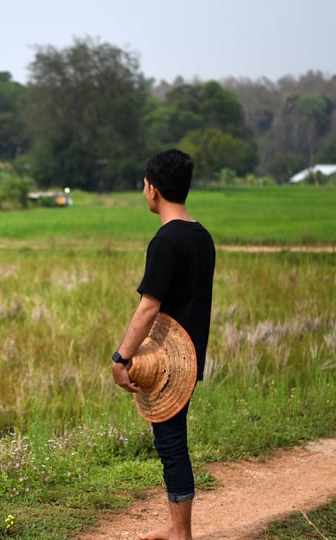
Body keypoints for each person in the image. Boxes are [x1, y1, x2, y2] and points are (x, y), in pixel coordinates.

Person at [112, 149, 215, 540]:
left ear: (152, 190)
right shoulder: (201, 236)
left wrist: (121, 357)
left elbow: (148, 308)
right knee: (172, 440)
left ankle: (180, 532)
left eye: (144, 184)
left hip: (168, 362)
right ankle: (176, 526)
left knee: (171, 444)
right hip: (191, 354)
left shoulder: (165, 242)